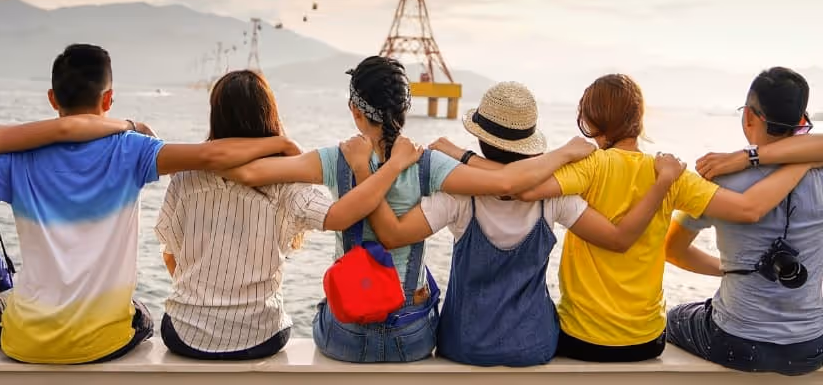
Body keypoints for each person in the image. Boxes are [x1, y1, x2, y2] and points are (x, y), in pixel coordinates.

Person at [221, 57, 600, 363]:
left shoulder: (334, 159)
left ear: (355, 110)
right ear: (406, 108)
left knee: (327, 307)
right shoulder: (430, 164)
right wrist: (564, 153)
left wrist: (284, 143)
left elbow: (247, 172)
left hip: (346, 336)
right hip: (412, 336)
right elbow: (507, 183)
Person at [0, 44, 302, 365]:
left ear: (52, 98)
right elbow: (214, 155)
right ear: (108, 99)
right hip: (103, 342)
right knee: (141, 314)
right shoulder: (132, 150)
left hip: (25, 343)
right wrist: (283, 144)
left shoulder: (15, 162)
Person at [444, 73, 816, 362]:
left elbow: (516, 187)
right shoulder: (671, 173)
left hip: (581, 339)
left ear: (590, 120)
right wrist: (801, 159)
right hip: (645, 341)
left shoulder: (589, 166)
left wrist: (461, 156)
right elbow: (749, 208)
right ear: (639, 118)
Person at [342, 81, 686, 367]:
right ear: (529, 144)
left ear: (479, 139)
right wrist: (661, 184)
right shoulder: (554, 196)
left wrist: (365, 172)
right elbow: (616, 238)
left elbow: (391, 235)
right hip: (533, 345)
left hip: (464, 345)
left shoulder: (459, 196)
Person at [154, 69, 423, 360]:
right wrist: (388, 166)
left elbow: (171, 256)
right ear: (269, 115)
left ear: (215, 116)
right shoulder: (286, 183)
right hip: (260, 336)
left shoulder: (186, 178)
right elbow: (338, 216)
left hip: (184, 333)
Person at [0, 54, 146, 356]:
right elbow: (65, 130)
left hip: (3, 336)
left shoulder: (7, 165)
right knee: (139, 316)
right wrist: (130, 124)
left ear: (52, 97)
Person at [665, 67, 823, 376]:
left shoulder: (719, 180)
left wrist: (729, 270)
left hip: (736, 343)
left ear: (749, 116)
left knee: (674, 317)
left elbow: (672, 250)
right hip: (811, 346)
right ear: (802, 121)